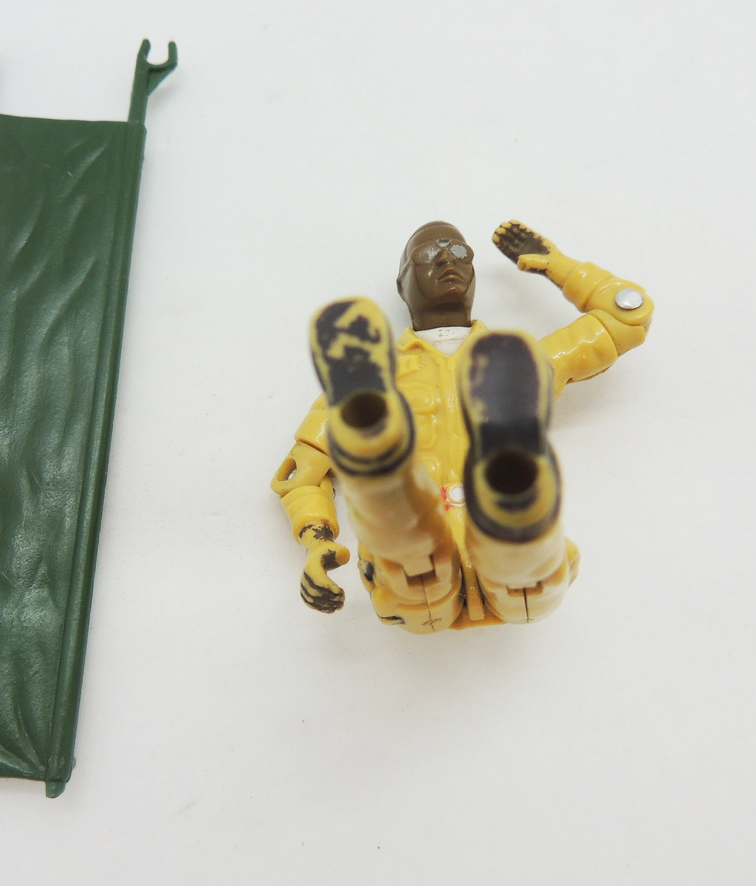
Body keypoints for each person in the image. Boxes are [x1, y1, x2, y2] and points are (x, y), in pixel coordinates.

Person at [271, 220, 653, 634]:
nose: (447, 261)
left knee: (515, 533)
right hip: (415, 577)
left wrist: (558, 266)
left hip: (513, 565)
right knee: (408, 541)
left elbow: (627, 317)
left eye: (459, 253)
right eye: (428, 255)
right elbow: (304, 474)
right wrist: (317, 542)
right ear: (402, 284)